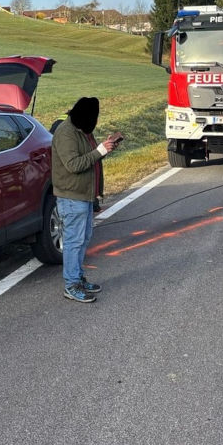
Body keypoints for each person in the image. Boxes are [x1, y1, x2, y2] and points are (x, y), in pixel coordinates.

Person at [51, 97, 124, 303]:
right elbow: (74, 164)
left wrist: (105, 148)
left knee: (83, 239)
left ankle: (78, 277)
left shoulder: (82, 130)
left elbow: (90, 157)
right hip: (71, 197)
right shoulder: (66, 134)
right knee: (74, 242)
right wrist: (99, 151)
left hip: (84, 195)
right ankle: (71, 284)